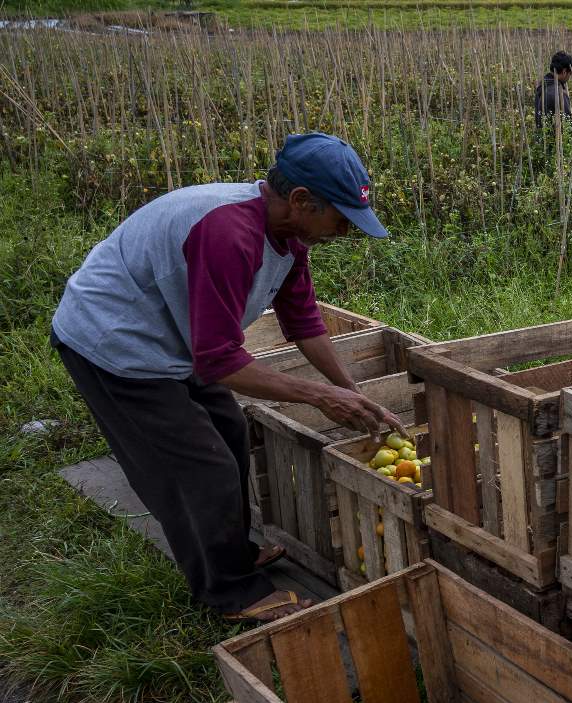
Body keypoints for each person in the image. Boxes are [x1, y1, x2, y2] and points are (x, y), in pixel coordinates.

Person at [50, 132, 404, 624]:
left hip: (173, 338)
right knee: (200, 466)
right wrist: (318, 396)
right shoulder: (228, 233)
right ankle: (230, 592)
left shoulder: (287, 238)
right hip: (115, 342)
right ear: (301, 200)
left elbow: (303, 324)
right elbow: (217, 360)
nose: (344, 233)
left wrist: (352, 392)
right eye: (341, 220)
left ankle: (234, 552)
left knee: (230, 431)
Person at [534, 51, 572, 130]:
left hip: (542, 137)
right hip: (555, 140)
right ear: (564, 72)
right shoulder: (558, 93)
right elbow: (569, 124)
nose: (569, 77)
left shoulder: (542, 86)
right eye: (570, 74)